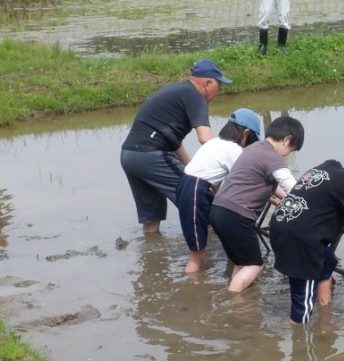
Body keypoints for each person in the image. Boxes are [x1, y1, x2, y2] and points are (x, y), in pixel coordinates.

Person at [270, 154, 344, 324]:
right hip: (301, 240)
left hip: (281, 225)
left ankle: (325, 313)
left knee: (327, 261)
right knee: (302, 307)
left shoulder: (328, 167)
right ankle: (299, 338)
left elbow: (324, 207)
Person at [120, 59, 229, 234]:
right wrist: (230, 163)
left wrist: (199, 172)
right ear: (208, 83)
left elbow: (174, 143)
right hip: (151, 155)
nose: (220, 91)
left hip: (129, 156)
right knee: (201, 203)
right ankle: (209, 257)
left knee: (152, 218)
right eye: (219, 85)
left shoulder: (177, 91)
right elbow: (205, 138)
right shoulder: (195, 96)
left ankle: (153, 257)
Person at [210, 116, 304, 292]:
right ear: (287, 140)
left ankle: (237, 301)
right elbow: (294, 188)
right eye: (292, 149)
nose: (289, 154)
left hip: (218, 210)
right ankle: (232, 303)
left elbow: (269, 183)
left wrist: (285, 199)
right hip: (237, 215)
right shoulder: (273, 158)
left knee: (241, 263)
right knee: (255, 266)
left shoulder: (253, 149)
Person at [175, 108, 263, 274]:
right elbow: (247, 179)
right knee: (197, 253)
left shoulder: (214, 142)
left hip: (190, 187)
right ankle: (190, 291)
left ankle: (205, 275)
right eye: (251, 140)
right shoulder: (233, 149)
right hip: (196, 191)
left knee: (204, 237)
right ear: (245, 134)